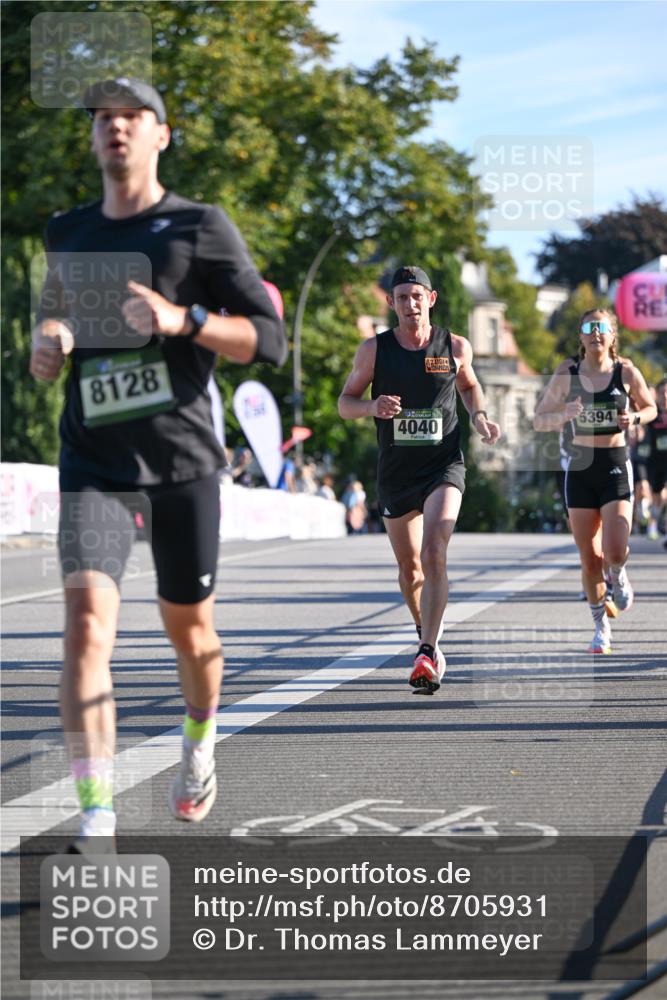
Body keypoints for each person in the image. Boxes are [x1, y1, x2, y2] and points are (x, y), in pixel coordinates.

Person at [29, 77, 287, 845]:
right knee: (84, 629)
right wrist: (51, 342)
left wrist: (186, 319)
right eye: (102, 117)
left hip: (180, 464)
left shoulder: (199, 227)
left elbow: (268, 341)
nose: (115, 127)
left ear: (159, 134)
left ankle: (199, 743)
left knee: (194, 638)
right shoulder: (68, 230)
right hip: (94, 458)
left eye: (131, 116)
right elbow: (56, 313)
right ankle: (98, 813)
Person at [338, 265, 500, 693]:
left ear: (431, 299)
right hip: (396, 473)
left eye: (417, 296)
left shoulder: (455, 346)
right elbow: (345, 403)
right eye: (401, 297)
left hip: (443, 465)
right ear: (391, 303)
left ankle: (427, 650)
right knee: (410, 572)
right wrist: (372, 408)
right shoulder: (374, 351)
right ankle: (425, 631)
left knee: (434, 551)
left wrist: (479, 416)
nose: (410, 304)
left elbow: (470, 387)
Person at [533, 309, 656, 653]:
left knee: (615, 550)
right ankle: (601, 628)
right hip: (581, 468)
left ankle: (618, 573)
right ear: (581, 335)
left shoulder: (626, 371)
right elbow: (539, 419)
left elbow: (651, 409)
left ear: (613, 335)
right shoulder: (566, 373)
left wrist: (633, 416)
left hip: (615, 463)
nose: (596, 334)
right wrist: (563, 415)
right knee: (589, 558)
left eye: (602, 328)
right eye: (589, 327)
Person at [646, 379, 667, 543]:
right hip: (655, 461)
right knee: (657, 497)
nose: (665, 396)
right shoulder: (652, 413)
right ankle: (653, 524)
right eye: (662, 393)